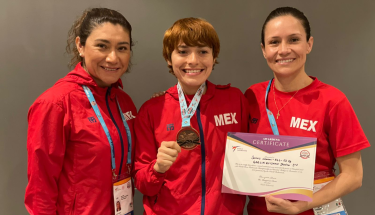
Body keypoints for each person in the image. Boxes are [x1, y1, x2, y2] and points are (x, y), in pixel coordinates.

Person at [245, 6, 370, 215]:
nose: (283, 50)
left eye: (294, 39)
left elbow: (353, 176)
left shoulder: (332, 100)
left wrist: (302, 206)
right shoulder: (251, 96)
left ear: (309, 44)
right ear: (264, 49)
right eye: (274, 42)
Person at [25, 8, 137, 214]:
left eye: (122, 48)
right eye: (102, 46)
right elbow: (40, 190)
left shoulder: (124, 101)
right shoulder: (55, 104)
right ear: (80, 46)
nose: (113, 58)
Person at [134, 18, 249, 214]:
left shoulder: (234, 100)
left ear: (214, 57)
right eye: (183, 51)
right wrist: (158, 168)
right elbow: (143, 185)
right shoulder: (152, 110)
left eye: (203, 51)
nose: (193, 60)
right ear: (169, 58)